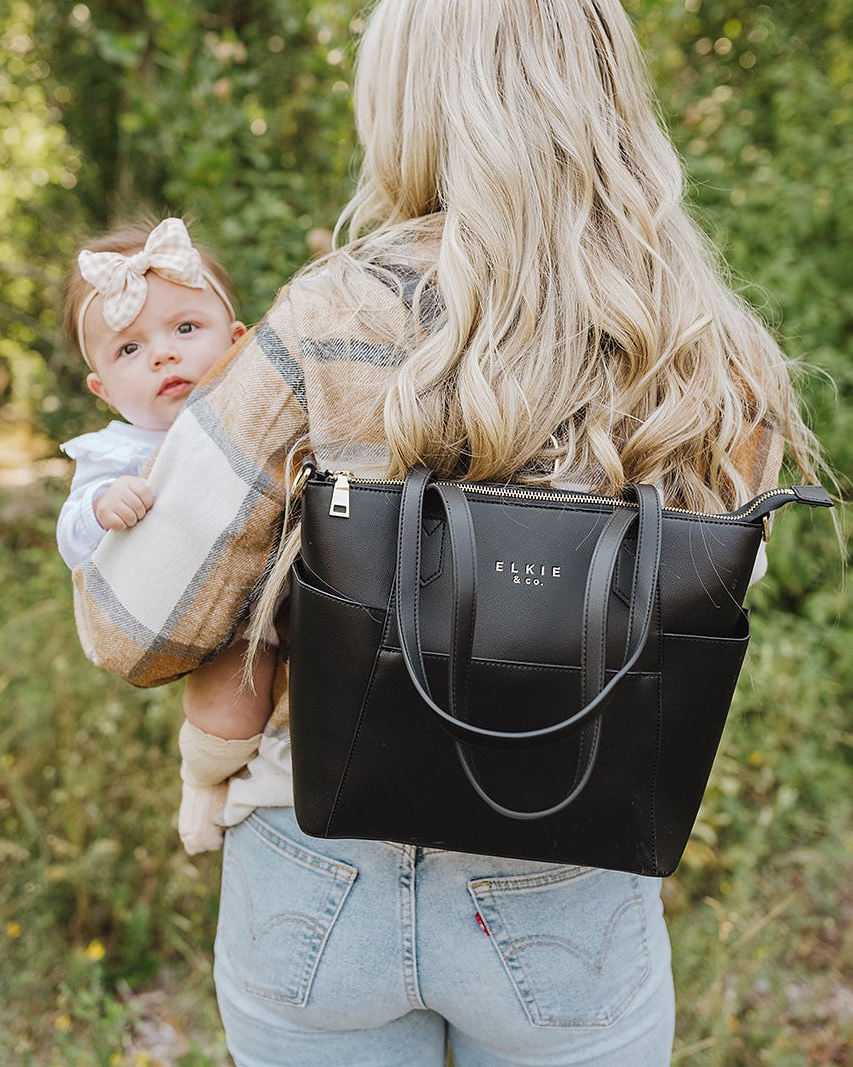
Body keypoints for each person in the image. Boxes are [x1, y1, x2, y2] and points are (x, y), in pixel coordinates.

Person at [71, 2, 827, 1063]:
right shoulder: (700, 343)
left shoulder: (330, 312)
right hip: (567, 862)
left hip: (318, 862)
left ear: (405, 101)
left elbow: (134, 627)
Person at [57, 216, 276, 855]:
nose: (163, 354)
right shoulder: (117, 453)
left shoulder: (257, 414)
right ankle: (205, 783)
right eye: (130, 349)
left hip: (279, 581)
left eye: (186, 329)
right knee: (226, 712)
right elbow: (72, 540)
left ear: (236, 341)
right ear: (103, 388)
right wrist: (99, 505)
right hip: (206, 614)